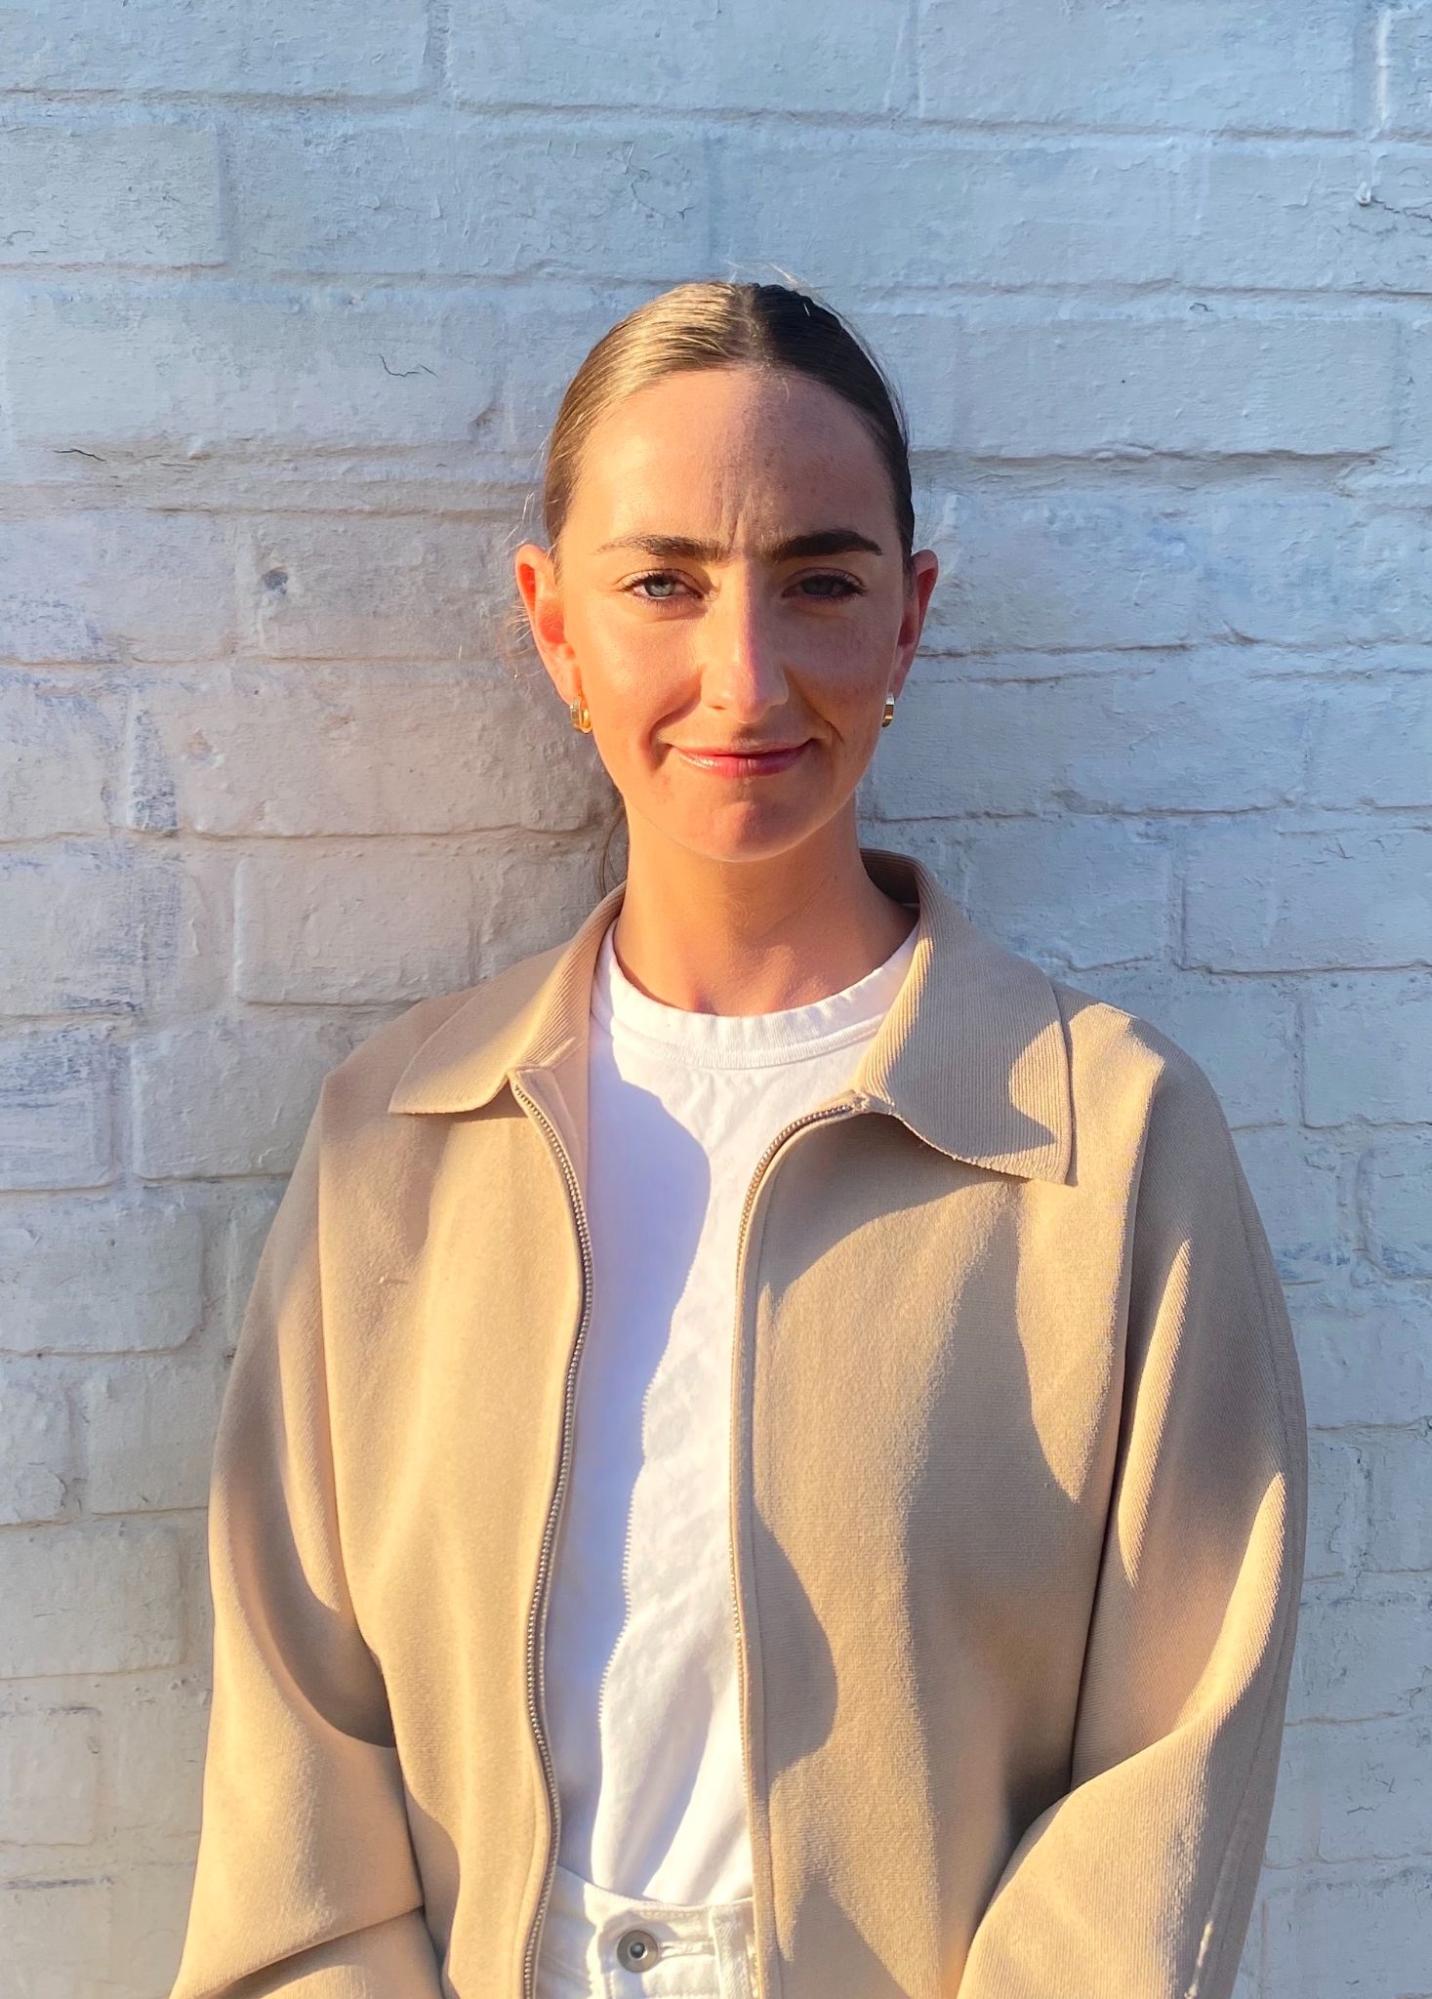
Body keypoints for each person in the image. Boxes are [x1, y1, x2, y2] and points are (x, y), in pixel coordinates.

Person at [168, 281, 1308, 1999]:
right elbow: (296, 1774)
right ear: (552, 625)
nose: (745, 674)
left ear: (910, 619)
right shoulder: (399, 1142)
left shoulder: (1108, 1143)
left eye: (822, 581)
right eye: (662, 584)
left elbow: (1168, 1772)